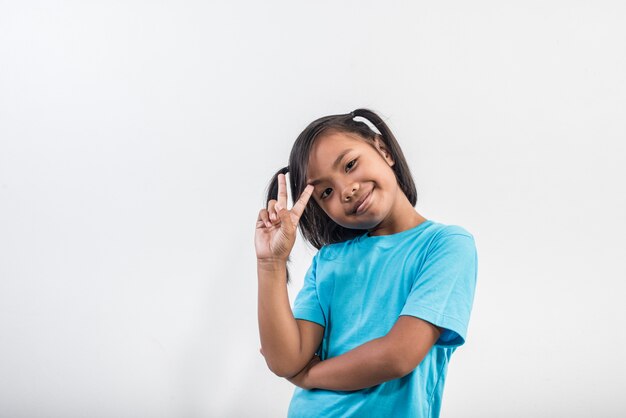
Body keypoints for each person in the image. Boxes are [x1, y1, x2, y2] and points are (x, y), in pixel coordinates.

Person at [255, 108, 478, 418]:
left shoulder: (445, 245)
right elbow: (286, 361)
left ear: (383, 150)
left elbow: (398, 356)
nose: (346, 191)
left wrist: (308, 376)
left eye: (350, 164)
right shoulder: (329, 261)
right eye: (327, 192)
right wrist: (271, 263)